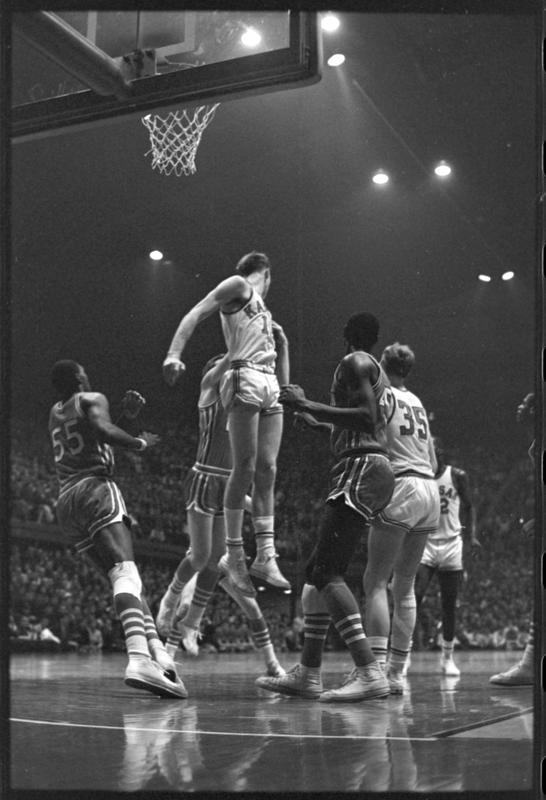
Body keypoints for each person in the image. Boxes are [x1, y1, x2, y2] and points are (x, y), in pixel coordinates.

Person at [257, 312, 394, 702]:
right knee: (313, 572)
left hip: (362, 466)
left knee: (327, 571)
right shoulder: (373, 369)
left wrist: (308, 404)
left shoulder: (355, 361)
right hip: (367, 466)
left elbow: (367, 418)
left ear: (346, 334)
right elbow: (366, 420)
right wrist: (320, 424)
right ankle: (309, 673)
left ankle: (369, 671)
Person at [48, 360, 187, 698]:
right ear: (79, 377)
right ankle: (138, 658)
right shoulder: (91, 398)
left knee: (124, 580)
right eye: (84, 371)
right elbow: (104, 431)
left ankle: (159, 655)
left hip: (66, 502)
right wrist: (140, 443)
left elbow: (96, 436)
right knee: (126, 572)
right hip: (94, 488)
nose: (88, 374)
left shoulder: (55, 412)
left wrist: (126, 417)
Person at [163, 251, 290, 595]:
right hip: (244, 375)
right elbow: (196, 311)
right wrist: (174, 354)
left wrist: (284, 346)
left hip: (268, 380)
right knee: (245, 467)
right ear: (266, 274)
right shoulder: (238, 286)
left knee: (268, 469)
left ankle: (265, 556)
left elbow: (282, 377)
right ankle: (234, 555)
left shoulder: (264, 312)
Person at [156, 353, 285, 677]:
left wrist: (257, 507)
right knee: (200, 565)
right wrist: (240, 349)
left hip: (225, 504)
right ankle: (171, 622)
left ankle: (270, 663)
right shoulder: (209, 391)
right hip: (205, 483)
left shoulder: (240, 410)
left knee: (236, 587)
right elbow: (228, 365)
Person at [363, 343, 440, 695]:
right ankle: (396, 672)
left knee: (376, 581)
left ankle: (376, 671)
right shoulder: (418, 401)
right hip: (429, 489)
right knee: (405, 584)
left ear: (382, 364)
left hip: (404, 483)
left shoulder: (384, 396)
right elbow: (434, 462)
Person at [410, 437, 481, 677]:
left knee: (449, 605)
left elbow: (469, 506)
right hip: (426, 543)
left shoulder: (457, 475)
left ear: (438, 453)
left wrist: (472, 536)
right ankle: (404, 654)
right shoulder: (420, 476)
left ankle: (447, 659)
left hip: (451, 544)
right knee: (414, 597)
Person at [490, 391, 535, 686]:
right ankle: (530, 662)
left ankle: (530, 664)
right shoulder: (534, 444)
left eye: (526, 403)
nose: (519, 407)